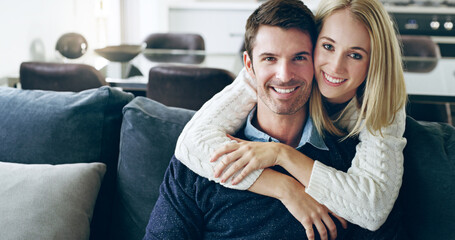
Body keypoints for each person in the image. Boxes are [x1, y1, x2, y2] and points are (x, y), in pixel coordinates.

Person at [174, 0, 407, 237]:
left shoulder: (383, 105)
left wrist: (282, 154)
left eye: (355, 55)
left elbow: (373, 208)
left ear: (374, 62)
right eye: (328, 46)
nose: (336, 67)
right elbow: (191, 143)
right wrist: (284, 187)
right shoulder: (264, 76)